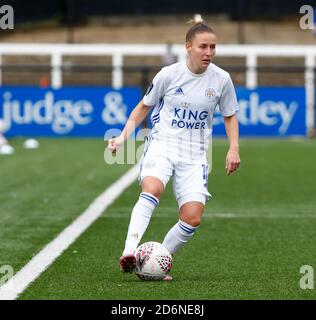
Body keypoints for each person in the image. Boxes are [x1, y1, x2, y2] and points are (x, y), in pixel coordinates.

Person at [108, 15, 240, 280]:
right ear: (188, 47)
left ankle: (156, 261)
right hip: (163, 144)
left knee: (192, 217)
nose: (209, 52)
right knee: (153, 188)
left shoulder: (222, 79)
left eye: (213, 47)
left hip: (195, 155)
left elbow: (229, 115)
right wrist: (123, 137)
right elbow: (143, 107)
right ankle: (130, 251)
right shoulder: (169, 75)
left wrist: (233, 147)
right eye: (203, 46)